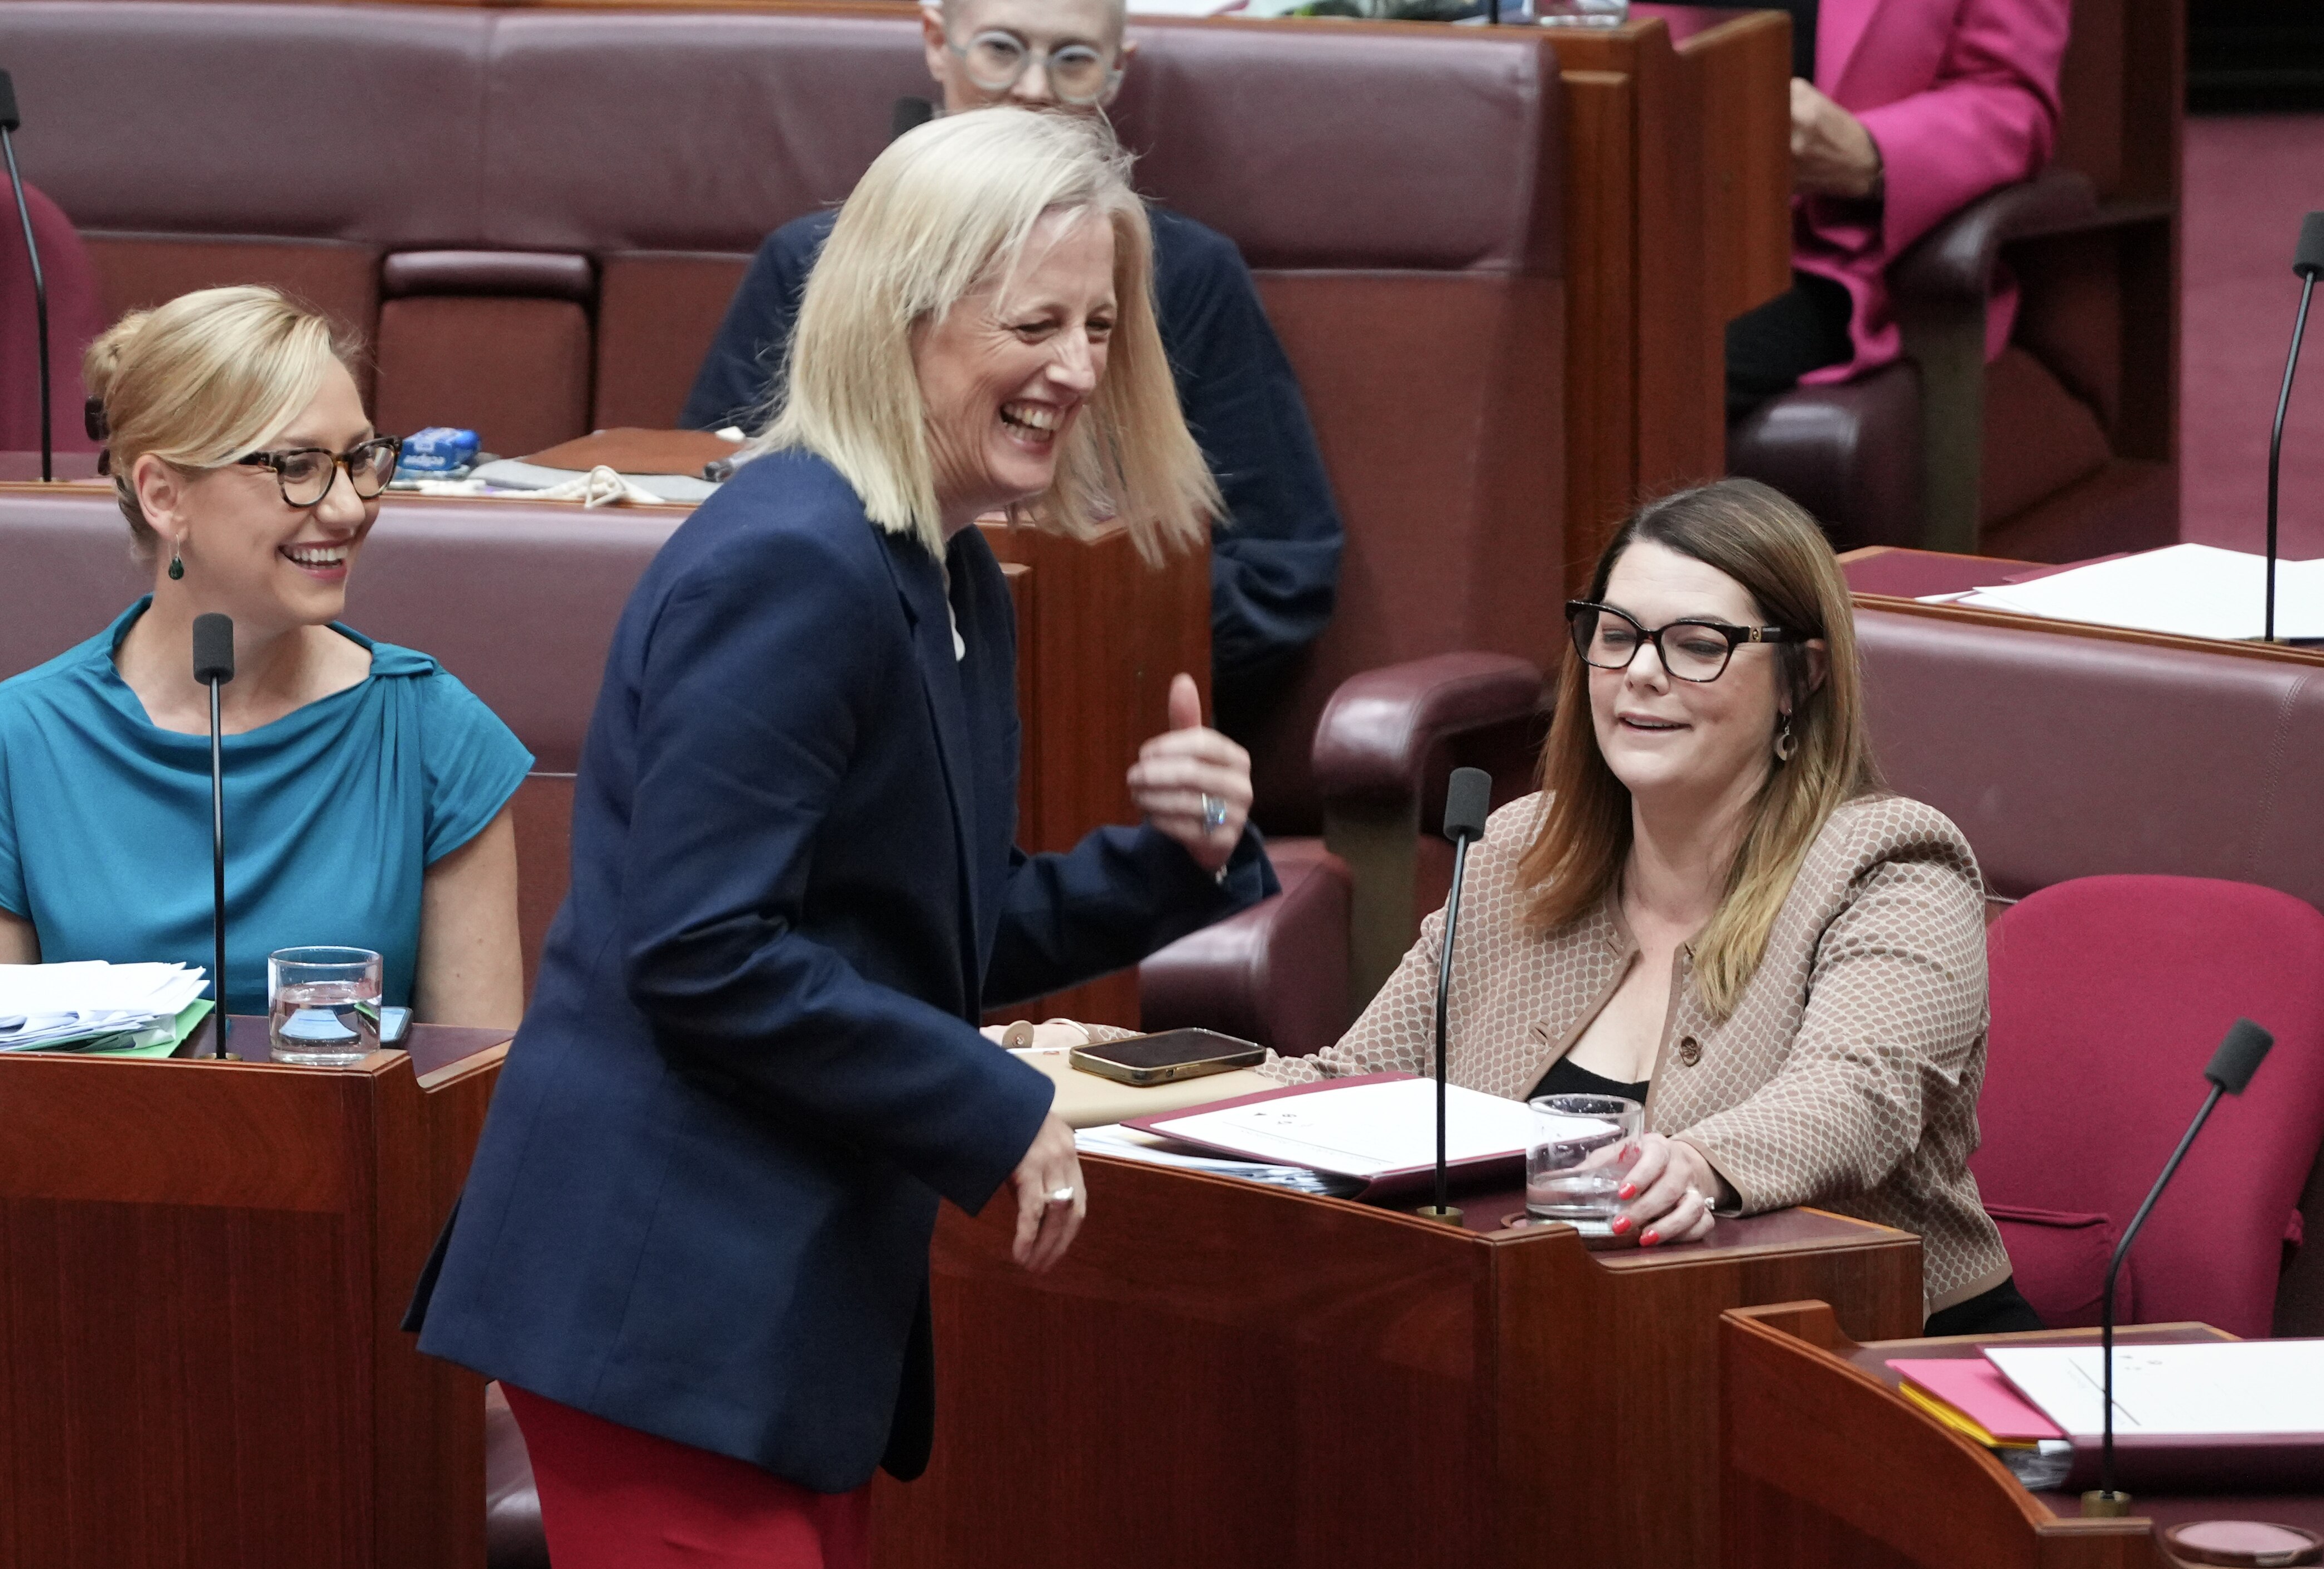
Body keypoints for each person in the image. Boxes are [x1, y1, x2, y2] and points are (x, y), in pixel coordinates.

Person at [406, 110, 1275, 1568]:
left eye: (1101, 325)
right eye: (1037, 321)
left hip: (784, 1313)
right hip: (667, 1294)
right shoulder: (794, 561)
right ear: (905, 314)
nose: (1078, 367)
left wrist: (1173, 857)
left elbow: (932, 927)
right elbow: (702, 948)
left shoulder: (953, 572)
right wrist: (991, 1107)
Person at [1268, 478, 2040, 1337]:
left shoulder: (1893, 865)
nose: (1641, 672)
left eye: (1698, 645)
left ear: (1801, 677)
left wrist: (1704, 1163)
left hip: (1871, 1362)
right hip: (1591, 1344)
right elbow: (1353, 1084)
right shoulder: (1520, 852)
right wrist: (1115, 1080)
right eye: (1617, 635)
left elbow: (1858, 1095)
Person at [681, 0, 1344, 730]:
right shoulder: (813, 263)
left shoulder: (1186, 276)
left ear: (1116, 69)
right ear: (940, 42)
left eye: (1072, 59)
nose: (1034, 88)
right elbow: (710, 507)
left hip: (1095, 719)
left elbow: (1280, 573)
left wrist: (1071, 635)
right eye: (1002, 48)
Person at [0, 285, 529, 1025]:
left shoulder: (435, 736)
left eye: (359, 458)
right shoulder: (1, 754)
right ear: (164, 495)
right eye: (297, 466)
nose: (351, 507)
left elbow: (473, 1093)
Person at [1724, 0, 2069, 421]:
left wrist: (1870, 151)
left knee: (1666, 355)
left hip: (1817, 257)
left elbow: (2012, 103)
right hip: (1645, 223)